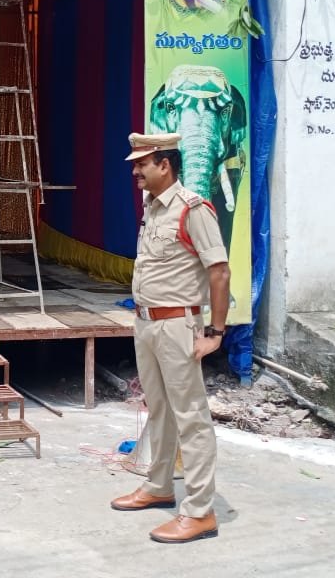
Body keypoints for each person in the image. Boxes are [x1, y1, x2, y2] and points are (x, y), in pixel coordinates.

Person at [110, 132, 231, 544]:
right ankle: (160, 486)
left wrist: (215, 332)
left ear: (165, 165)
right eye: (134, 164)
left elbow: (219, 272)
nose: (135, 170)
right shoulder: (152, 208)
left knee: (191, 417)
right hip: (147, 323)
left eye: (142, 163)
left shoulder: (192, 209)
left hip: (178, 325)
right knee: (159, 409)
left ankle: (199, 511)